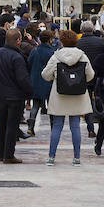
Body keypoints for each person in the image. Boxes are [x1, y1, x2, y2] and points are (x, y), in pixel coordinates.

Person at [40, 29, 94, 166]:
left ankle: (51, 157)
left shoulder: (56, 56)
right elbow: (91, 75)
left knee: (57, 126)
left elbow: (45, 75)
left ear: (62, 41)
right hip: (77, 95)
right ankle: (76, 158)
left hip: (59, 95)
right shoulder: (82, 56)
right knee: (75, 126)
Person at [0, 28, 32, 164]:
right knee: (12, 126)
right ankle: (9, 155)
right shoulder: (17, 57)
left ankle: (1, 153)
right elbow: (22, 79)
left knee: (1, 124)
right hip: (15, 97)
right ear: (18, 41)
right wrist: (30, 92)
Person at [26, 28, 57, 135]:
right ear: (49, 40)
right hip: (49, 82)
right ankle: (53, 128)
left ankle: (30, 127)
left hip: (35, 81)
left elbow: (28, 64)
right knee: (52, 107)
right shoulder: (52, 52)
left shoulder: (34, 50)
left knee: (35, 106)